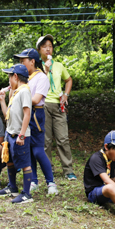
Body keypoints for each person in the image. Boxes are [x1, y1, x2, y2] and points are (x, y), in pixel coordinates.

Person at [14, 48, 58, 195]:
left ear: (32, 61)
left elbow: (36, 99)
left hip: (35, 115)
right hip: (25, 114)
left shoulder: (42, 78)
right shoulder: (27, 78)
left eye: (23, 61)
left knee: (38, 151)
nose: (21, 63)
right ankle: (34, 180)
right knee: (29, 151)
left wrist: (18, 96)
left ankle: (51, 183)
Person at [36, 35, 77, 180]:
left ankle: (68, 170)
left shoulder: (58, 65)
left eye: (50, 46)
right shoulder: (36, 66)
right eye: (44, 46)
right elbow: (36, 84)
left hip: (58, 104)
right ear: (39, 49)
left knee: (63, 138)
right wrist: (45, 70)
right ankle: (49, 169)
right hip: (43, 104)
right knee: (46, 140)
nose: (48, 48)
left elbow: (69, 79)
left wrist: (66, 94)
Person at [0, 63, 34, 204]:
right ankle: (12, 187)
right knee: (10, 160)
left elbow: (27, 114)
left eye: (9, 77)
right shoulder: (16, 92)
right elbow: (7, 115)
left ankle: (26, 194)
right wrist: (2, 100)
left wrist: (22, 134)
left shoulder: (24, 91)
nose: (8, 81)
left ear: (16, 76)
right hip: (10, 133)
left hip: (20, 135)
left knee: (25, 164)